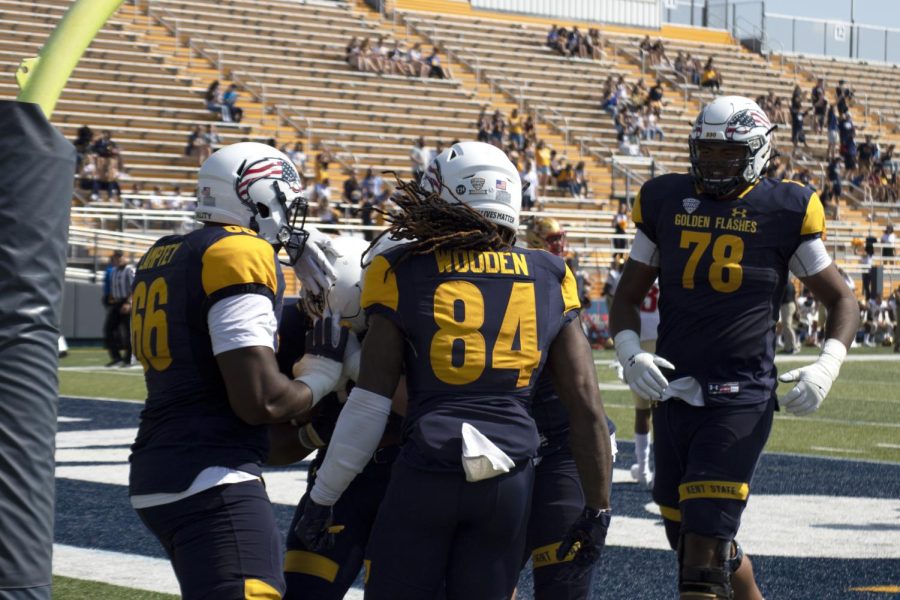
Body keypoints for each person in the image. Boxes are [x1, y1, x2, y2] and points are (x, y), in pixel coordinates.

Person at [294, 142, 613, 600]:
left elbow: (369, 402)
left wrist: (323, 498)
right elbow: (586, 406)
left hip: (430, 465)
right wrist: (599, 507)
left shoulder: (399, 269)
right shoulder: (551, 273)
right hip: (510, 479)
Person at [609, 95, 859, 600]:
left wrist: (827, 366)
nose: (715, 165)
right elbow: (627, 296)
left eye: (729, 155)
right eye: (708, 153)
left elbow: (841, 298)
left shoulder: (785, 207)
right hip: (674, 393)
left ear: (760, 151)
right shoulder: (665, 200)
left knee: (700, 563)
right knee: (694, 545)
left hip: (740, 395)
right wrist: (630, 351)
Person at [128, 142, 346, 599]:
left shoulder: (165, 251)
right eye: (285, 199)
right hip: (209, 476)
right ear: (257, 196)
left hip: (163, 465)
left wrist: (293, 246)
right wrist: (322, 376)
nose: (291, 213)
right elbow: (261, 401)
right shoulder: (237, 253)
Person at [271, 236, 408, 600]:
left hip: (405, 483)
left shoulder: (405, 328)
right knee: (303, 593)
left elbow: (429, 410)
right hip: (333, 486)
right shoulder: (292, 327)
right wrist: (315, 430)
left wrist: (361, 371)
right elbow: (264, 446)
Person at [520, 216, 618, 599]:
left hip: (562, 443)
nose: (560, 244)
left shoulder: (555, 278)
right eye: (553, 238)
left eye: (562, 238)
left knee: (562, 584)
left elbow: (582, 390)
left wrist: (598, 507)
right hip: (510, 444)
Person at [780, 275, 799, 354]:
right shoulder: (791, 284)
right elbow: (795, 297)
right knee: (785, 326)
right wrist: (797, 309)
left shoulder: (784, 284)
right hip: (791, 305)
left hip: (787, 305)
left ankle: (794, 347)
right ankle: (787, 347)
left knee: (787, 326)